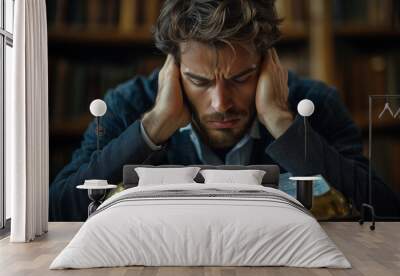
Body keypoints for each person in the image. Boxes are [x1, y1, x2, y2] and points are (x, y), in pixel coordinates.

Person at [49, 0, 400, 221]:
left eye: (242, 77)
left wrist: (282, 123)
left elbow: (385, 212)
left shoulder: (315, 104)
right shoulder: (128, 104)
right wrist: (154, 126)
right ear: (173, 67)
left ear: (267, 65)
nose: (221, 103)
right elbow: (58, 209)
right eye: (199, 81)